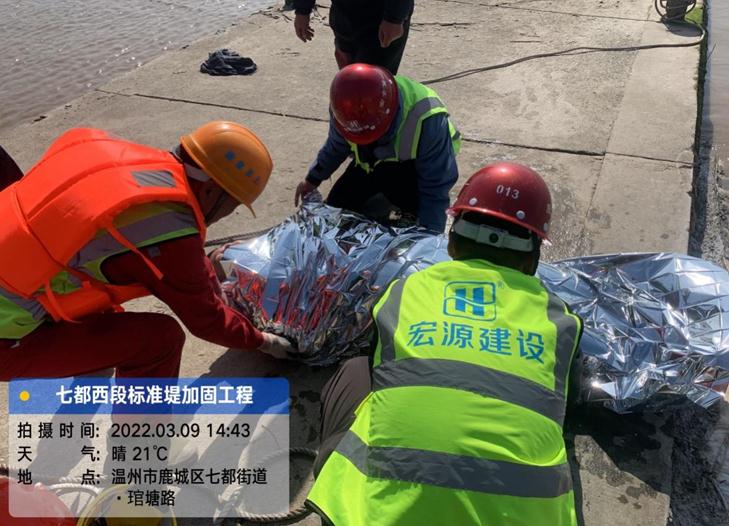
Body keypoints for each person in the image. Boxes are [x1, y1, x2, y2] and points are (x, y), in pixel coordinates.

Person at [305, 162, 584, 525]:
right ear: (533, 258)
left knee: (358, 371)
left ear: (451, 240)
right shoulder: (559, 320)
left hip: (380, 518)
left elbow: (382, 372)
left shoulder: (406, 291)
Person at [0, 121, 293, 381]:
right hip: (6, 336)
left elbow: (181, 260)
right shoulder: (170, 234)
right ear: (211, 191)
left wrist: (206, 272)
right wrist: (264, 341)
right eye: (234, 204)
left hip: (16, 273)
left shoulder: (131, 163)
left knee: (96, 295)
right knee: (160, 342)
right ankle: (139, 425)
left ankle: (87, 362)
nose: (228, 213)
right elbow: (208, 321)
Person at [294, 63, 461, 233]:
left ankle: (407, 213)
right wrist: (312, 179)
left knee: (415, 223)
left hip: (417, 168)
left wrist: (430, 236)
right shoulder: (343, 109)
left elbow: (435, 188)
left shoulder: (427, 118)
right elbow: (336, 146)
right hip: (372, 163)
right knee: (337, 211)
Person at [292, 0, 414, 74]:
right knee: (348, 77)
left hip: (380, 17)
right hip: (344, 13)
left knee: (373, 83)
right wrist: (302, 10)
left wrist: (394, 18)